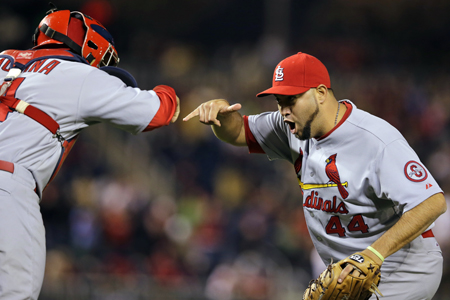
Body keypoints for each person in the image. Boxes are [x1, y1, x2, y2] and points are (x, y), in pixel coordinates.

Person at [183, 52, 446, 299]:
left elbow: (432, 202)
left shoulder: (376, 140)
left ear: (320, 93)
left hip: (402, 267)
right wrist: (220, 114)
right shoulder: (289, 126)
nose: (284, 110)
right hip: (349, 270)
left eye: (291, 100)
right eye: (279, 101)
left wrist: (373, 254)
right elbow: (239, 131)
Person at [0, 7, 180, 299]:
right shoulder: (80, 74)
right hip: (8, 186)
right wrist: (168, 87)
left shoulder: (3, 59)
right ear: (89, 44)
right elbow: (158, 113)